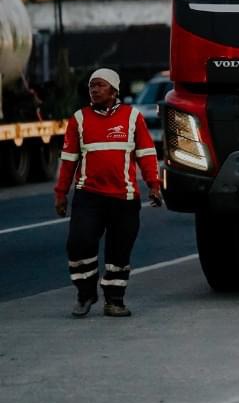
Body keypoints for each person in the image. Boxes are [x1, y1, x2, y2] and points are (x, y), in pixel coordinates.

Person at [54, 68, 162, 318]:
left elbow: (146, 154)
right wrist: (60, 193)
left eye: (100, 85)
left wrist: (154, 184)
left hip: (124, 198)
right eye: (92, 85)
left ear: (114, 90)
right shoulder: (78, 119)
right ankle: (85, 293)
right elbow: (68, 160)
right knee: (78, 244)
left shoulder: (132, 117)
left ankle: (115, 300)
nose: (94, 89)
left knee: (119, 254)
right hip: (88, 196)